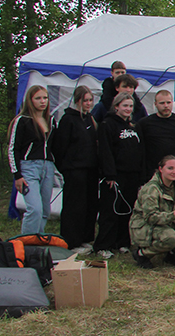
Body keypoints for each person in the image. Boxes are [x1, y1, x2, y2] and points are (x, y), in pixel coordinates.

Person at [95, 92, 146, 259]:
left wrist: (141, 175)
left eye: (130, 106)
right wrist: (109, 175)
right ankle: (104, 245)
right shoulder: (107, 124)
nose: (128, 109)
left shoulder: (134, 126)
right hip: (115, 176)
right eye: (125, 105)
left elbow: (140, 151)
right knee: (110, 211)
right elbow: (105, 151)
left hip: (132, 175)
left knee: (127, 210)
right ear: (116, 106)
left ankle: (122, 242)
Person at [53, 85, 100, 252]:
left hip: (91, 169)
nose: (88, 103)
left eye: (90, 100)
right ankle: (71, 241)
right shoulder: (68, 120)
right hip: (74, 170)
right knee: (75, 206)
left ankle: (85, 238)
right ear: (77, 100)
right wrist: (66, 167)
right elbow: (59, 146)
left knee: (90, 205)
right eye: (85, 100)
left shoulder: (90, 119)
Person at [8, 85, 59, 235]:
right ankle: (27, 242)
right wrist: (17, 175)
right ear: (30, 100)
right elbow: (13, 148)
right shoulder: (22, 120)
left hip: (48, 167)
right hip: (29, 167)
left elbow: (56, 147)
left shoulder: (51, 120)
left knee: (45, 209)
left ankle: (38, 239)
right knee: (34, 208)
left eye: (45, 98)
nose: (42, 101)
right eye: (38, 98)